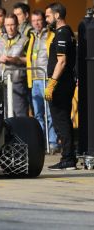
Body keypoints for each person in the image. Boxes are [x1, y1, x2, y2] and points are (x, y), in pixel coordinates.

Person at [45, 3, 77, 170]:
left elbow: (62, 61)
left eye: (48, 16)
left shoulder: (63, 33)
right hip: (63, 83)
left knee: (61, 120)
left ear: (57, 16)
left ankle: (68, 159)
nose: (46, 19)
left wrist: (52, 83)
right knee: (62, 120)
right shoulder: (63, 33)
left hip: (61, 84)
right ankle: (69, 156)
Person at [26, 9, 60, 154]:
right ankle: (41, 142)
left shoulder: (51, 35)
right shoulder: (32, 36)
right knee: (38, 114)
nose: (36, 23)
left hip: (46, 79)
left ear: (44, 21)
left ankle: (52, 143)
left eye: (39, 20)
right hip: (34, 80)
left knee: (50, 113)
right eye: (34, 21)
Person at [0, 14, 29, 117]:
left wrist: (15, 60)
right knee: (5, 113)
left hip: (17, 80)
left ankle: (21, 133)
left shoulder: (25, 40)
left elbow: (29, 60)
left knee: (19, 112)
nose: (10, 28)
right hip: (2, 81)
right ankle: (8, 133)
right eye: (7, 25)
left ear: (17, 25)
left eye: (12, 24)